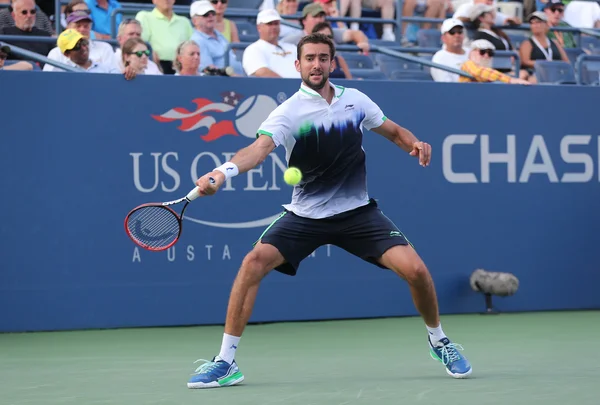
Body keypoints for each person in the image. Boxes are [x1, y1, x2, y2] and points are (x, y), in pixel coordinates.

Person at [187, 32, 473, 389]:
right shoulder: (289, 111)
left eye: (323, 58)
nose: (317, 64)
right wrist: (222, 172)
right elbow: (258, 150)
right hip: (306, 216)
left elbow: (395, 132)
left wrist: (415, 144)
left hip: (357, 214)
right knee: (253, 264)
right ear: (298, 65)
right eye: (309, 58)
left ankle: (439, 341)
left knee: (415, 270)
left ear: (332, 63)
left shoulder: (355, 100)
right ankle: (225, 361)